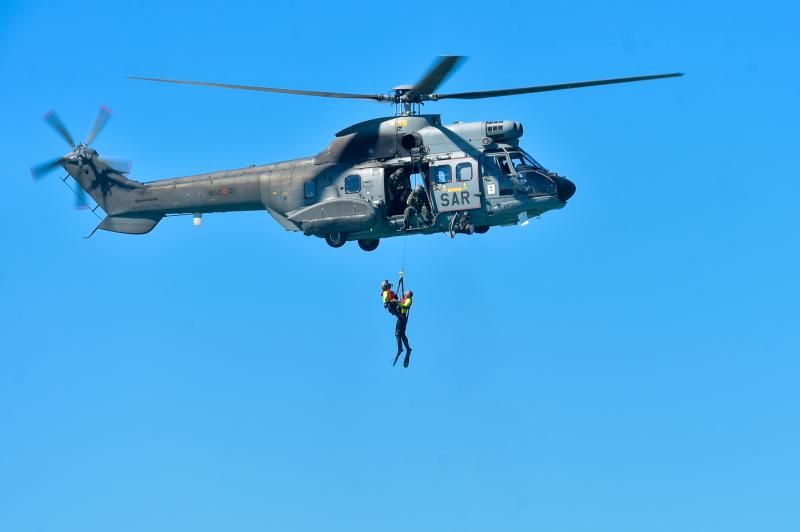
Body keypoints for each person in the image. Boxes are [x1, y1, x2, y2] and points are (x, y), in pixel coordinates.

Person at [393, 290, 414, 368]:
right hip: (401, 317)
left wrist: (398, 302)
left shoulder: (408, 300)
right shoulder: (405, 298)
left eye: (406, 292)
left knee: (398, 333)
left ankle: (401, 348)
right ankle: (407, 350)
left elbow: (405, 306)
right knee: (401, 334)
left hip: (402, 318)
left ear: (408, 294)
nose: (404, 293)